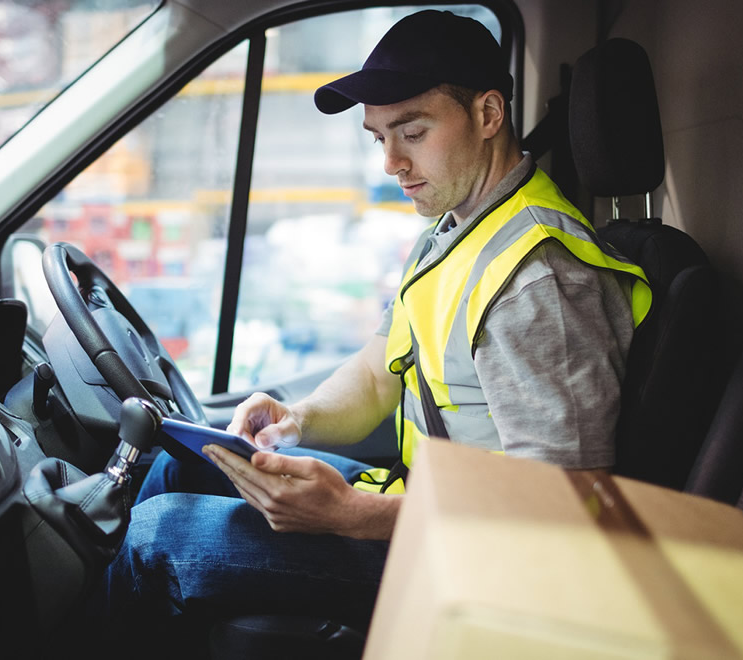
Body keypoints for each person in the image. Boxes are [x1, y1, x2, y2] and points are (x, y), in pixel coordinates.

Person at [96, 9, 651, 655]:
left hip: (491, 568)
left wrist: (354, 516)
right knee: (180, 467)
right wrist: (294, 421)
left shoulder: (538, 280)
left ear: (488, 114)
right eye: (379, 137)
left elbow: (566, 504)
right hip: (432, 507)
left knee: (156, 536)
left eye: (412, 132)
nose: (391, 161)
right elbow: (376, 370)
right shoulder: (458, 231)